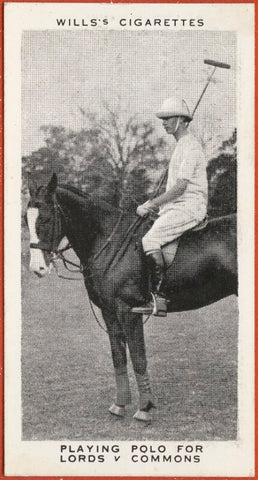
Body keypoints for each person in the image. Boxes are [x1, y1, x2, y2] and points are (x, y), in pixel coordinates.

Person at [131, 97, 208, 317]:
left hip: (190, 206)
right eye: (162, 119)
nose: (163, 122)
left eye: (168, 118)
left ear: (182, 121)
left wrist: (152, 204)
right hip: (177, 206)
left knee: (150, 240)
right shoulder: (181, 146)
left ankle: (159, 299)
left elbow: (181, 187)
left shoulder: (191, 146)